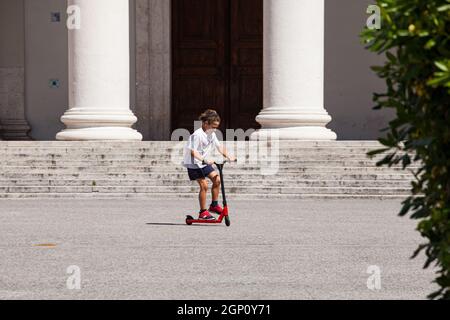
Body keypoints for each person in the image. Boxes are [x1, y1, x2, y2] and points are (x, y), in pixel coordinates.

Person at [183, 109, 236, 220]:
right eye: (213, 126)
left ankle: (214, 205)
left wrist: (229, 156)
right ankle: (203, 212)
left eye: (217, 127)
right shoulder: (197, 135)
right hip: (194, 163)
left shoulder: (211, 133)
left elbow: (219, 146)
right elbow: (192, 151)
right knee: (204, 186)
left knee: (217, 180)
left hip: (203, 162)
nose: (215, 129)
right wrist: (203, 159)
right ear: (205, 123)